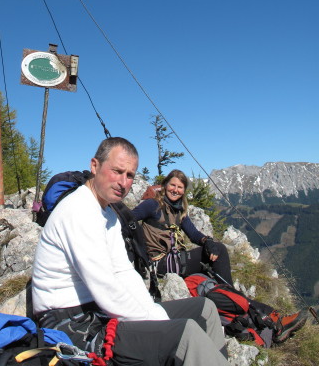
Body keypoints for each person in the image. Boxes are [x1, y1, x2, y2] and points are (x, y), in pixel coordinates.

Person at [32, 137, 231, 366]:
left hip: (99, 309)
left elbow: (124, 272)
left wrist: (151, 310)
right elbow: (105, 287)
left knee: (204, 309)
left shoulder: (107, 214)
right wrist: (156, 321)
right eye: (117, 171)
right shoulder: (79, 211)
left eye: (129, 176)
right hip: (72, 323)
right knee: (185, 335)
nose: (123, 182)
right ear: (94, 166)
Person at [132, 169, 309, 344]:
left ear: (183, 191)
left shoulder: (178, 210)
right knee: (221, 252)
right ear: (164, 185)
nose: (175, 190)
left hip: (173, 259)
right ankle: (251, 306)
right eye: (172, 185)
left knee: (215, 255)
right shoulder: (153, 205)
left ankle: (263, 316)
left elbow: (194, 234)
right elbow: (129, 217)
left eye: (180, 187)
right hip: (160, 263)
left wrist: (207, 241)